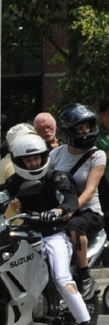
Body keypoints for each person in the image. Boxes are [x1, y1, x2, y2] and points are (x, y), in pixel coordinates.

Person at [0, 133, 98, 325]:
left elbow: (70, 200)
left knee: (62, 278)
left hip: (54, 234)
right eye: (28, 160)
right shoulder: (15, 182)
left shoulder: (57, 177)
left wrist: (58, 211)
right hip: (26, 233)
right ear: (19, 161)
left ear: (44, 157)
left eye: (37, 158)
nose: (34, 163)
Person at [49, 104, 103, 293]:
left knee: (75, 227)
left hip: (88, 212)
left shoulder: (97, 155)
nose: (85, 131)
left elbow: (90, 190)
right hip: (60, 210)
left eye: (87, 126)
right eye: (80, 128)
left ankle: (84, 274)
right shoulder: (55, 154)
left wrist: (69, 210)